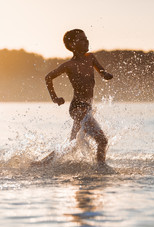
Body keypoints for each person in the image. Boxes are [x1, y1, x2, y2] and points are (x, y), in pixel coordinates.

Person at [45, 29, 113, 164]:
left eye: (86, 38)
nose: (86, 41)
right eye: (81, 39)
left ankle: (43, 163)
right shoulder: (69, 65)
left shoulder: (91, 58)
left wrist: (105, 74)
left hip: (87, 107)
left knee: (72, 143)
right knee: (102, 140)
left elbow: (101, 71)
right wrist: (55, 98)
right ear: (71, 45)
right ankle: (101, 168)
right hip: (78, 107)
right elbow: (48, 77)